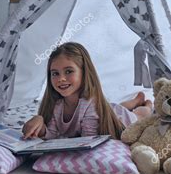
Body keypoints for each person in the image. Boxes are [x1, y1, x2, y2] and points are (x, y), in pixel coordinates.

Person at [22, 42, 153, 139]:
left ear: (84, 73)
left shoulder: (90, 104)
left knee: (139, 115)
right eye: (55, 73)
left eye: (69, 71)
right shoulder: (58, 106)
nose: (61, 78)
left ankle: (146, 104)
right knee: (114, 106)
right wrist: (39, 124)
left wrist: (148, 108)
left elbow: (87, 140)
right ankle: (135, 100)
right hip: (109, 109)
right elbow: (51, 135)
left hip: (119, 116)